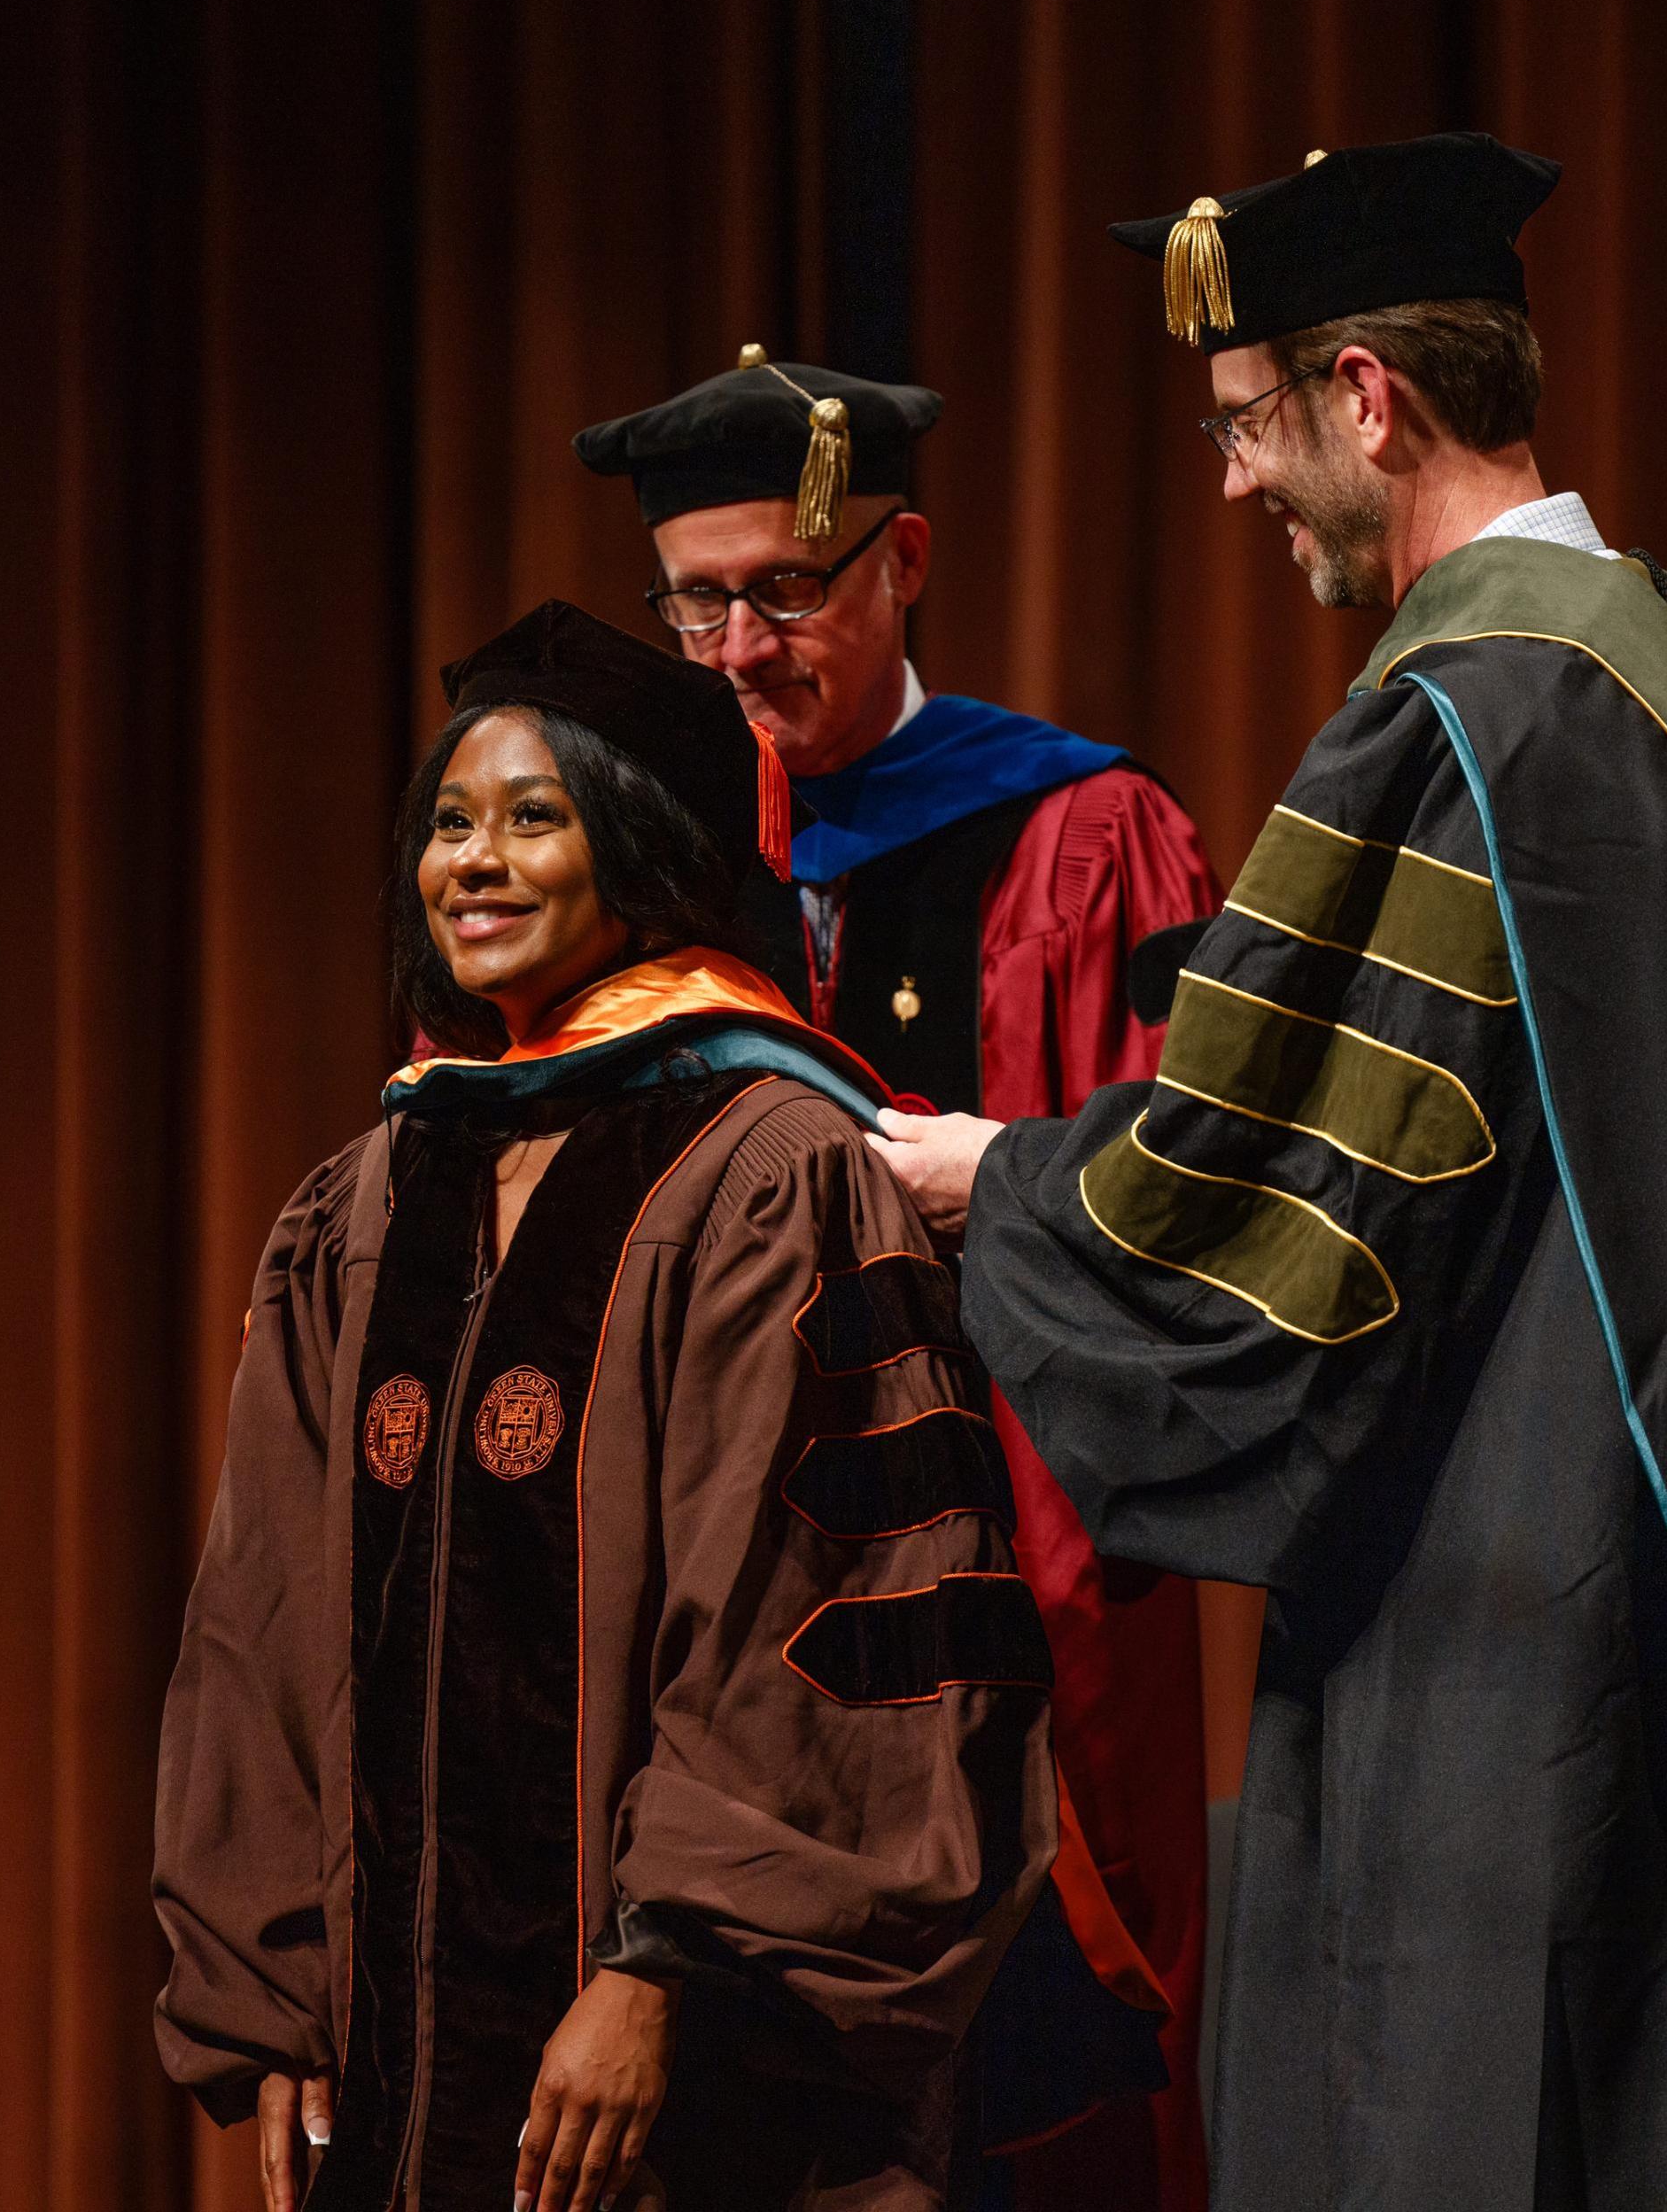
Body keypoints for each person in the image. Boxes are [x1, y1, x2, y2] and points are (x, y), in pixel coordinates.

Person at [871, 131, 1667, 2208]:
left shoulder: (1465, 716)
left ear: (1367, 396)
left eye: (1250, 423)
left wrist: (1009, 1176)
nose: (1235, 480)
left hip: (1534, 1636)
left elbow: (1264, 1214)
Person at [150, 601, 1059, 2212]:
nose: (472, 865)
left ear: (638, 854)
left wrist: (662, 1970)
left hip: (696, 2080)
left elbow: (819, 1616)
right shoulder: (363, 1202)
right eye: (448, 823)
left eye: (529, 818)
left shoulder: (770, 1173)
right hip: (388, 2064)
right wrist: (274, 1981)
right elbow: (261, 1620)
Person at [578, 348, 1219, 2201]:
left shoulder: (1079, 830)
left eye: (780, 592)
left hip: (1008, 1560)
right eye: (692, 600)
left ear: (902, 558)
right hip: (720, 1586)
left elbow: (1174, 1192)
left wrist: (992, 1192)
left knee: (1028, 2097)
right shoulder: (660, 860)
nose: (731, 650)